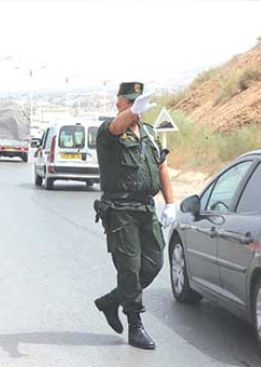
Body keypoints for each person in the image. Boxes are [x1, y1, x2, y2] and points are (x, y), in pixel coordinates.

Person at [93, 82, 176, 350]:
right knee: (129, 268)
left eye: (138, 103)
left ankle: (111, 301)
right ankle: (135, 325)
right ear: (119, 104)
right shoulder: (110, 132)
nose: (135, 108)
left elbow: (162, 168)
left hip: (146, 208)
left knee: (153, 264)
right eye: (130, 102)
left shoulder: (150, 134)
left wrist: (170, 203)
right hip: (120, 211)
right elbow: (117, 127)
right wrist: (129, 115)